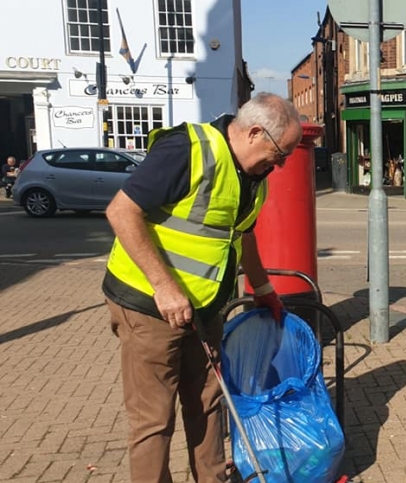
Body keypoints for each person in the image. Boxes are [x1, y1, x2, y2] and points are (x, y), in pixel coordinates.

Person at [102, 93, 303, 482]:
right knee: (154, 417)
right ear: (255, 132)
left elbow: (242, 236)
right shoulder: (187, 150)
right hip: (149, 305)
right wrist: (164, 287)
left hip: (205, 309)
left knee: (209, 403)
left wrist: (262, 289)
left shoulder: (253, 178)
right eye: (281, 153)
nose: (281, 164)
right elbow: (121, 211)